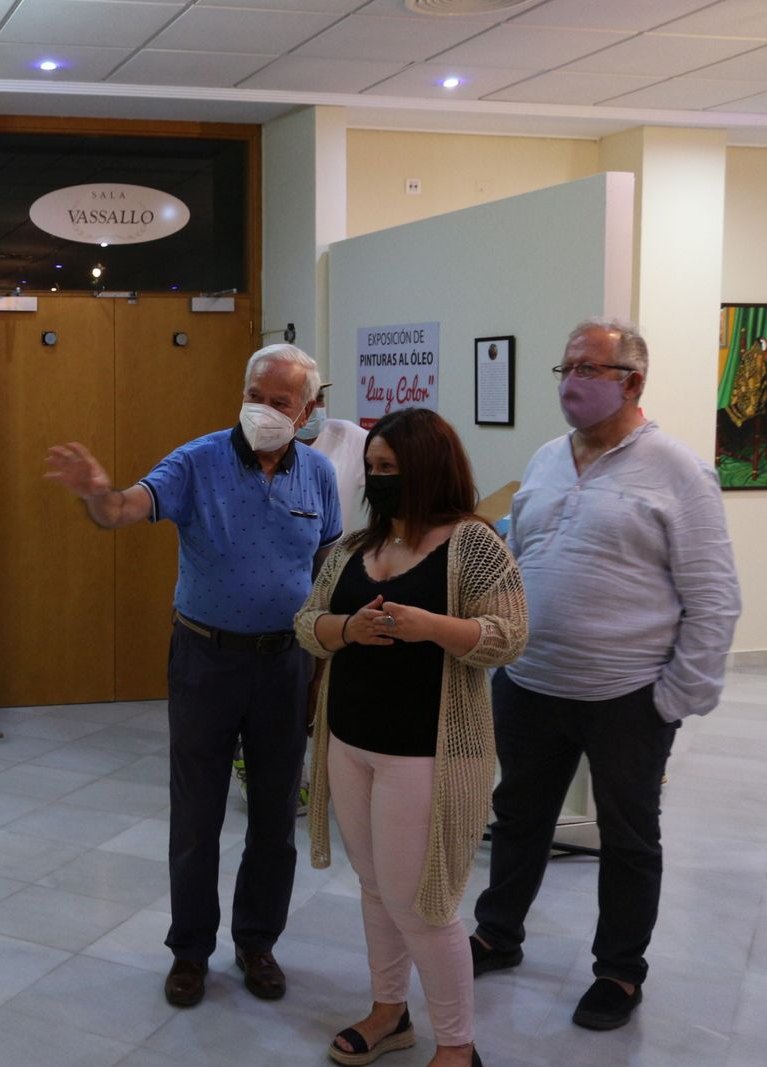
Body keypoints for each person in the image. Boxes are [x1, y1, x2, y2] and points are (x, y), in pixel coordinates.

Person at [45, 343, 341, 1009]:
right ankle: (190, 951)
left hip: (285, 662)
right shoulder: (198, 460)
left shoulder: (317, 475)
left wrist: (322, 667)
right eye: (255, 395)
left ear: (310, 410)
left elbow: (329, 571)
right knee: (197, 811)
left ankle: (257, 941)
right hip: (206, 659)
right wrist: (98, 493)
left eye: (280, 403)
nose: (263, 411)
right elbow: (123, 509)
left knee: (273, 814)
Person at [470, 318, 742, 1031]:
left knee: (629, 836)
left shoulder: (678, 470)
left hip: (627, 698)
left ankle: (619, 972)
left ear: (633, 382)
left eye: (589, 368)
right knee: (519, 817)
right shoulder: (544, 459)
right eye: (565, 367)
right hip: (530, 683)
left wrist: (673, 698)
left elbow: (714, 596)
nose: (571, 381)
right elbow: (518, 552)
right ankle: (498, 932)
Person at [296, 407, 527, 1067]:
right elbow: (309, 621)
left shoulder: (473, 543)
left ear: (428, 469)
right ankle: (389, 1011)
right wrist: (348, 630)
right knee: (373, 885)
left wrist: (431, 626)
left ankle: (458, 1044)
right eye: (372, 469)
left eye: (390, 469)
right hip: (350, 742)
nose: (377, 480)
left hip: (424, 753)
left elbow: (508, 636)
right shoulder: (353, 549)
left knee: (421, 902)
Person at [297, 381, 369, 532]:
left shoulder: (348, 435)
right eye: (303, 400)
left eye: (319, 398)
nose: (314, 408)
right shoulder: (267, 446)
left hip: (334, 553)